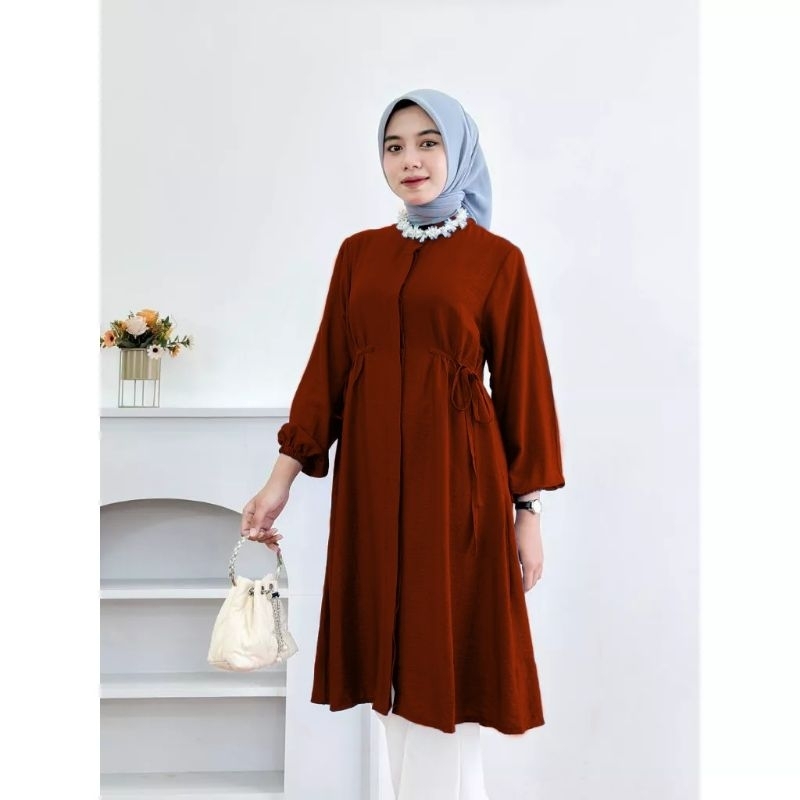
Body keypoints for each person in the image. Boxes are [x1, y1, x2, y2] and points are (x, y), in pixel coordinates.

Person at [241, 88, 566, 799]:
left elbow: (525, 390)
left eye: (428, 143)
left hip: (457, 491)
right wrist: (279, 480)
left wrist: (528, 511)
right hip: (371, 488)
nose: (410, 160)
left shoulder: (496, 261)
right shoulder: (359, 255)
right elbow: (327, 372)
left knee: (444, 670)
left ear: (459, 152)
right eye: (394, 147)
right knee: (388, 677)